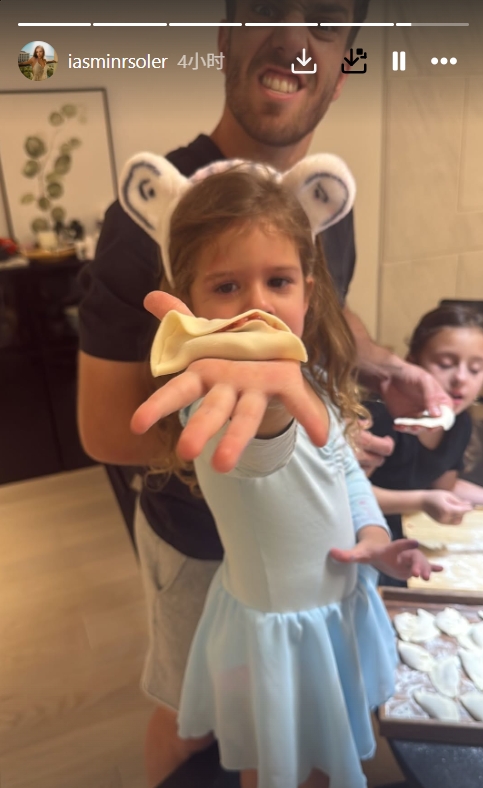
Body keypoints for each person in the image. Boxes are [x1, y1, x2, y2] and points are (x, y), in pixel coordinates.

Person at [77, 1, 450, 783]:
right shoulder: (148, 223)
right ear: (224, 36)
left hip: (324, 563)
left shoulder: (322, 204)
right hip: (198, 546)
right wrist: (273, 422)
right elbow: (109, 428)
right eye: (265, 8)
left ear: (343, 67)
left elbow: (328, 312)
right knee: (196, 721)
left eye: (323, 20)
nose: (292, 38)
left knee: (299, 722)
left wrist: (376, 372)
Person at [128, 161, 441, 788]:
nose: (258, 305)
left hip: (337, 609)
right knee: (275, 764)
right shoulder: (213, 400)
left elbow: (343, 474)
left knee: (321, 755)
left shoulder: (312, 380)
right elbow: (257, 450)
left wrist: (374, 538)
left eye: (278, 280)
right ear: (189, 306)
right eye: (226, 286)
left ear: (308, 290)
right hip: (279, 638)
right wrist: (269, 408)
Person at [367, 304, 483, 551]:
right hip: (364, 536)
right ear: (413, 364)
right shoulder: (380, 417)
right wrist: (421, 501)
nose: (461, 378)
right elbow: (348, 493)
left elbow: (443, 488)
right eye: (445, 364)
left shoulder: (459, 423)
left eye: (475, 369)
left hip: (405, 537)